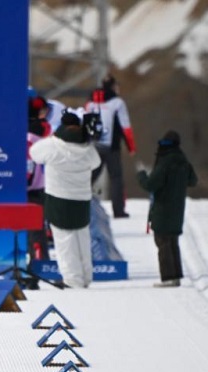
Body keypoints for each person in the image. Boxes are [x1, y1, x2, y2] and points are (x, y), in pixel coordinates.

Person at [29, 111, 101, 288]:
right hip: (82, 199)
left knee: (64, 241)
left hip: (59, 199)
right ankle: (86, 276)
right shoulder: (88, 148)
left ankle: (72, 279)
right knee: (82, 238)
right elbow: (96, 163)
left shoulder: (52, 145)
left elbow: (34, 153)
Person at [137, 130, 198, 288]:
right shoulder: (183, 160)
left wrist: (141, 174)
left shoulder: (165, 162)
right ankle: (175, 276)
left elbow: (150, 184)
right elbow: (193, 180)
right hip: (177, 209)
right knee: (172, 242)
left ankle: (169, 278)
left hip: (163, 209)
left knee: (163, 242)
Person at [85, 74, 136, 218]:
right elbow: (125, 126)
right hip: (112, 148)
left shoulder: (90, 102)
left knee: (88, 178)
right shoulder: (118, 102)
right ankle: (118, 210)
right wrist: (131, 147)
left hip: (93, 146)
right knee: (116, 178)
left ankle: (79, 205)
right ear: (114, 86)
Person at [27, 95, 51, 261]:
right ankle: (42, 261)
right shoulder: (46, 131)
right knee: (38, 228)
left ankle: (38, 261)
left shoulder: (25, 133)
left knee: (33, 228)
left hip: (31, 187)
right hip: (43, 185)